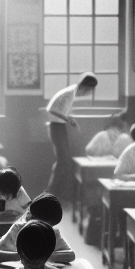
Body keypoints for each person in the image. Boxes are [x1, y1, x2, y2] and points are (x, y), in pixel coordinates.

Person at [45, 71, 98, 200]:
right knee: (62, 162)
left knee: (63, 162)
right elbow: (51, 109)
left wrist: (69, 119)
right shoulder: (70, 94)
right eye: (90, 90)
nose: (89, 93)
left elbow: (61, 111)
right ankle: (49, 193)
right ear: (86, 87)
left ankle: (52, 193)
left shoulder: (71, 92)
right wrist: (69, 119)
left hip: (58, 127)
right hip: (56, 127)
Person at [0, 193, 75, 265]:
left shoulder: (52, 233)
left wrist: (44, 257)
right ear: (33, 217)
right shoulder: (18, 229)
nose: (48, 229)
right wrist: (24, 256)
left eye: (51, 226)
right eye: (46, 224)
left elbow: (71, 255)